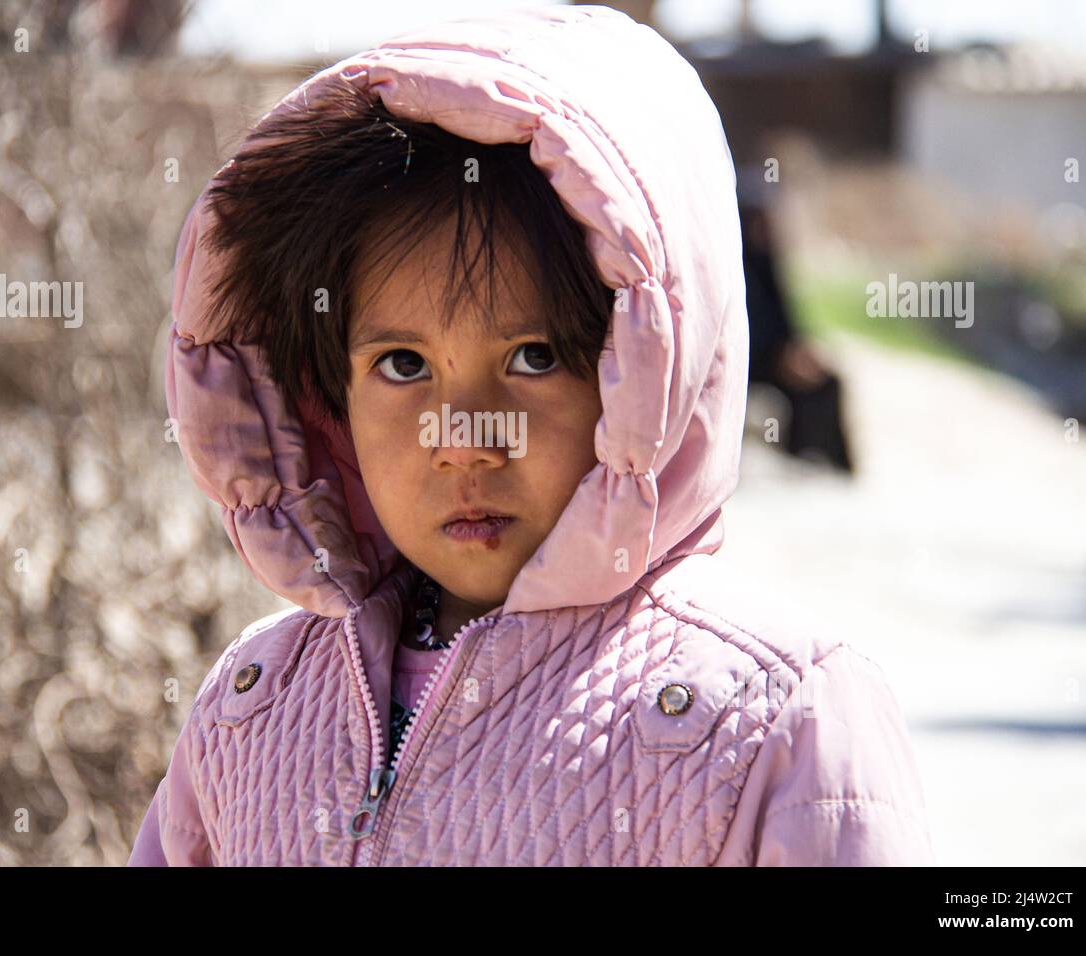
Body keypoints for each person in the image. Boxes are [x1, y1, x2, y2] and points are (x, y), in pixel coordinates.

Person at [127, 5, 933, 866]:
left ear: (649, 368)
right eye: (403, 365)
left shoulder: (767, 723)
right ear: (325, 394)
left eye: (534, 355)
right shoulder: (253, 708)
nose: (465, 437)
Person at [740, 197, 856, 471]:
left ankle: (824, 459)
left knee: (828, 379)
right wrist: (779, 355)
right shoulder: (739, 267)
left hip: (779, 354)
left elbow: (786, 316)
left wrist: (799, 348)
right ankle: (799, 457)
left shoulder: (769, 264)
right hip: (750, 362)